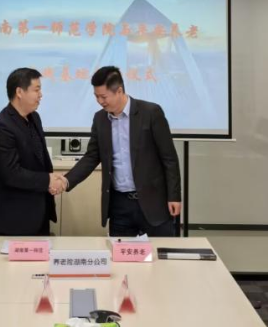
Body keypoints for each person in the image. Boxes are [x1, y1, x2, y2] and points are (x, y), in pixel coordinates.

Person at [63, 66, 181, 237]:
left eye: (104, 96)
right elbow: (92, 156)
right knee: (120, 253)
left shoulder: (150, 113)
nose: (100, 101)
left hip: (153, 201)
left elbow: (169, 158)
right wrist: (66, 180)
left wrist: (174, 196)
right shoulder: (100, 118)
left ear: (119, 91)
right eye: (96, 96)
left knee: (159, 250)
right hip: (120, 204)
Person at [0, 67, 66, 236]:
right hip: (15, 218)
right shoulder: (2, 126)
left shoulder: (34, 117)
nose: (41, 95)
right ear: (19, 92)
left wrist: (51, 180)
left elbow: (40, 160)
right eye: (36, 90)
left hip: (40, 212)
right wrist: (48, 180)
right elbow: (11, 174)